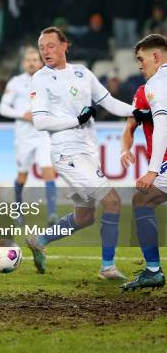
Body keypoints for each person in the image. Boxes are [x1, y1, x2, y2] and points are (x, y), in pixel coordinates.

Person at [27, 27, 142, 280]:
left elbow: (109, 102)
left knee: (85, 216)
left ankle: (40, 239)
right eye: (42, 47)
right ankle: (107, 267)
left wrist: (137, 111)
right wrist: (75, 119)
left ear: (65, 45)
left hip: (87, 151)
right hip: (68, 153)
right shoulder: (40, 79)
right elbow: (40, 122)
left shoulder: (82, 72)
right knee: (112, 201)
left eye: (51, 45)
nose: (46, 51)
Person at [120, 34, 167, 290]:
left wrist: (152, 170)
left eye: (141, 59)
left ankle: (153, 271)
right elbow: (130, 127)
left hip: (164, 164)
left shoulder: (156, 84)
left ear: (156, 57)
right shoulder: (145, 91)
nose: (139, 66)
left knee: (142, 198)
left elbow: (163, 126)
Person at [0, 47, 58, 226]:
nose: (31, 62)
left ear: (40, 62)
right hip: (23, 137)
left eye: (35, 59)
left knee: (48, 171)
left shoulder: (49, 81)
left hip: (43, 136)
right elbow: (3, 108)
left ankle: (52, 215)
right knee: (22, 177)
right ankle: (17, 211)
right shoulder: (15, 83)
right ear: (23, 63)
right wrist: (23, 114)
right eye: (28, 60)